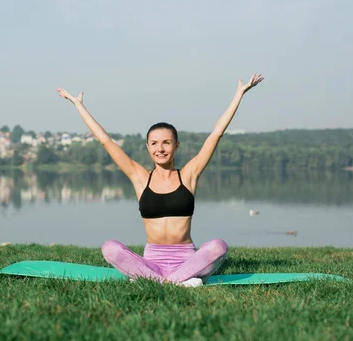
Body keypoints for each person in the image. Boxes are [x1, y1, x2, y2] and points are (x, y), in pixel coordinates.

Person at [56, 74, 264, 287]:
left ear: (176, 146)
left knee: (218, 246)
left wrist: (239, 95)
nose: (160, 149)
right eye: (154, 143)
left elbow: (216, 134)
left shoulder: (189, 175)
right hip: (152, 261)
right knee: (109, 247)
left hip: (187, 259)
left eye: (166, 143)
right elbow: (106, 141)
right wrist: (78, 105)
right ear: (148, 147)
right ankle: (177, 281)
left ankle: (162, 280)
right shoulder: (140, 178)